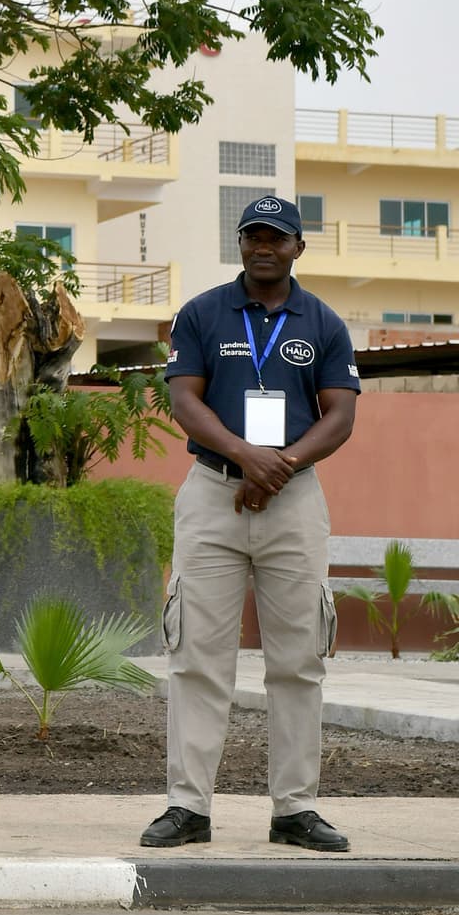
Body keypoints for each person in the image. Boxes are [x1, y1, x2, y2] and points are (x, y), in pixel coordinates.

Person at [140, 195, 360, 853]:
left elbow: (341, 414)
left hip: (293, 501)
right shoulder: (202, 313)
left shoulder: (323, 323)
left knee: (298, 660)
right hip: (213, 494)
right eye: (252, 236)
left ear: (298, 247)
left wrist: (282, 464)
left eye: (277, 237)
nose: (264, 247)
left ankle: (294, 810)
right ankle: (188, 807)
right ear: (240, 244)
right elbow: (184, 399)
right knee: (196, 657)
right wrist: (244, 456)